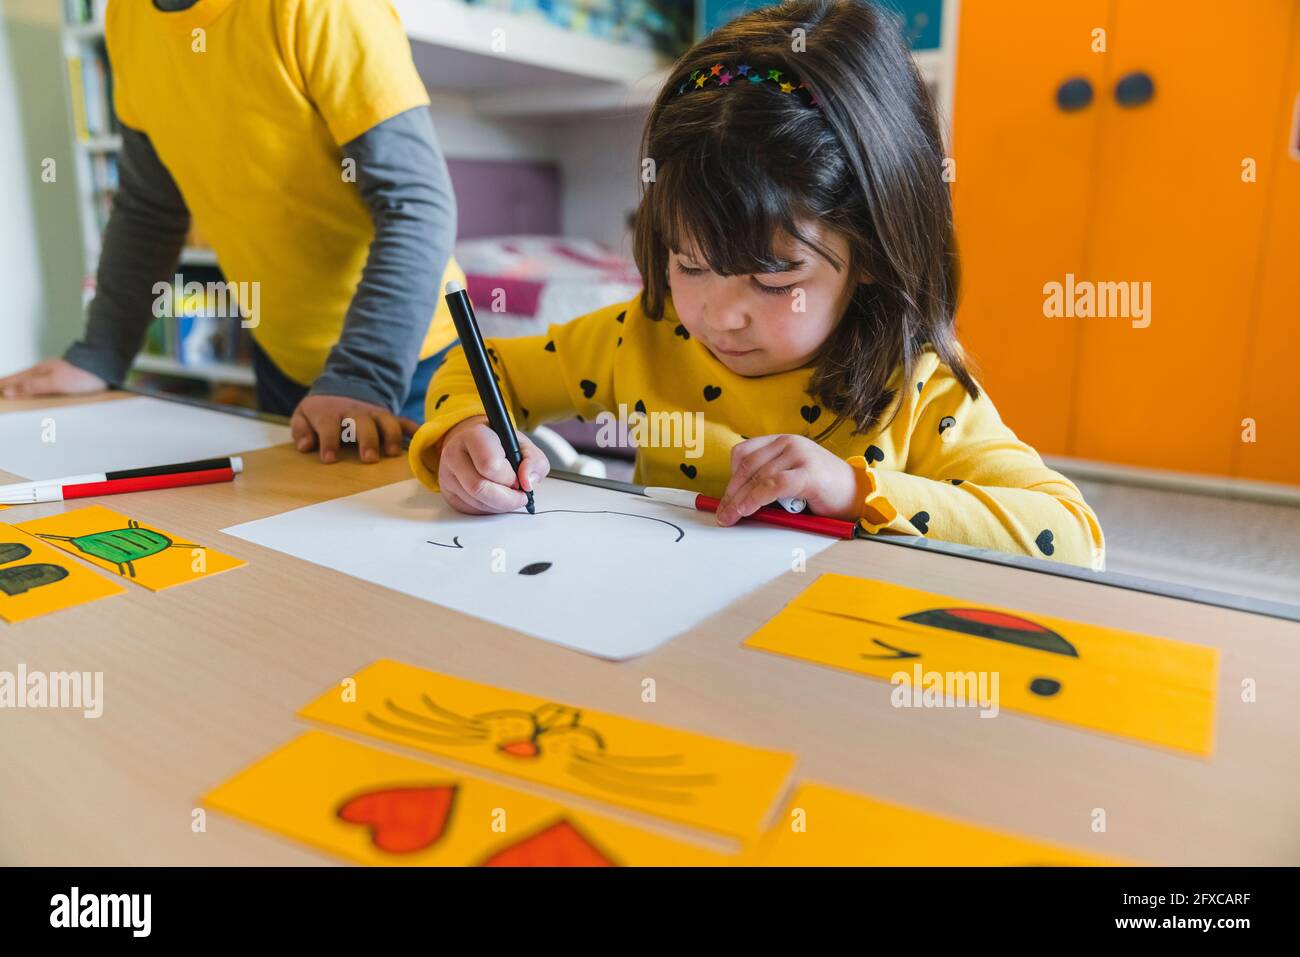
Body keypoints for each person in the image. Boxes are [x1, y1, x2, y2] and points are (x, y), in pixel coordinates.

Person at [405, 0, 1104, 568]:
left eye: (773, 281)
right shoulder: (640, 337)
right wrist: (465, 433)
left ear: (869, 251)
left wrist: (859, 491)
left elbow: (1072, 535)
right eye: (690, 263)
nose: (719, 315)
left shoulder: (915, 387)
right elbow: (479, 364)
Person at [0, 0, 461, 465]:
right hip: (284, 363)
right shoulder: (126, 15)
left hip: (407, 362)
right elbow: (148, 209)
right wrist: (98, 353)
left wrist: (363, 375)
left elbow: (416, 204)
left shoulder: (322, 8)